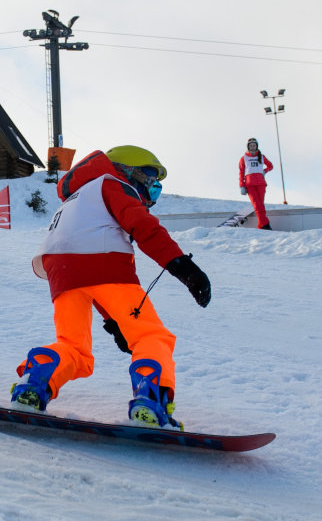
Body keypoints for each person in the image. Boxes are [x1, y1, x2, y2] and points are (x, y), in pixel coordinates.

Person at [11, 145, 211, 430]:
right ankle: (150, 402)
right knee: (150, 337)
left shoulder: (75, 199)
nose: (151, 193)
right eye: (150, 182)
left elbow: (88, 276)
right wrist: (184, 268)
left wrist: (114, 321)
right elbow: (144, 228)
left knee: (74, 349)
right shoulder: (113, 184)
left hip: (60, 273)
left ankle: (36, 382)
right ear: (129, 171)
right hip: (104, 264)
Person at [238, 137, 274, 229]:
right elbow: (241, 173)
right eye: (251, 145)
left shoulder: (261, 157)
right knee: (257, 206)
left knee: (261, 206)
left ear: (256, 146)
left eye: (254, 145)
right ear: (248, 147)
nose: (253, 147)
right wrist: (242, 186)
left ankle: (261, 225)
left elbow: (270, 166)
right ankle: (265, 225)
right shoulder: (244, 158)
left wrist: (264, 171)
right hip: (250, 185)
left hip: (261, 184)